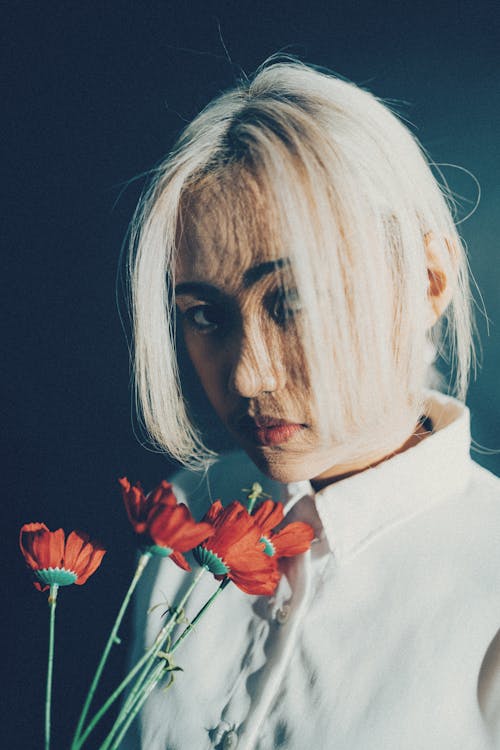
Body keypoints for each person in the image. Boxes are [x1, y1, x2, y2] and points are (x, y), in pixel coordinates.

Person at [123, 57, 500, 749]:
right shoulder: (186, 512)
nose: (245, 377)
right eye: (205, 316)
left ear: (428, 280)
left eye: (293, 302)